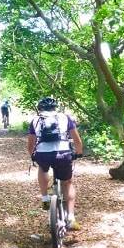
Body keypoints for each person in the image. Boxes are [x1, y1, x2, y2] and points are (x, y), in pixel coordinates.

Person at [27, 97, 83, 230]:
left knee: (43, 168)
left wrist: (32, 156)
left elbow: (30, 143)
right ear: (55, 108)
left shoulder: (35, 120)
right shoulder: (65, 117)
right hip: (63, 153)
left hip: (43, 154)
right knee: (67, 182)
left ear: (40, 108)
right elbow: (77, 139)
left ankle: (45, 198)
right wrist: (79, 152)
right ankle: (70, 217)